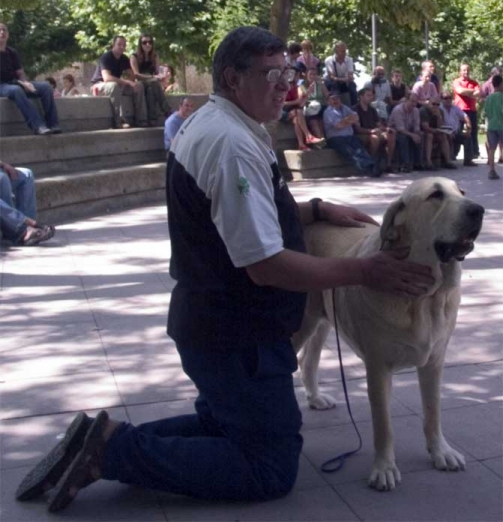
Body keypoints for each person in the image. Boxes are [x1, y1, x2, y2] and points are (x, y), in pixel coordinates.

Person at [15, 26, 434, 513]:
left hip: (218, 327)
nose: (286, 84)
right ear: (234, 78)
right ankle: (111, 452)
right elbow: (265, 265)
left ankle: (95, 438)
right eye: (272, 73)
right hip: (236, 336)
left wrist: (315, 209)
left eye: (290, 72)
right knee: (270, 466)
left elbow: (237, 218)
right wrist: (364, 272)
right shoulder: (231, 144)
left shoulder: (220, 124)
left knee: (226, 425)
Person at [0, 22, 61, 135]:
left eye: (4, 30)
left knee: (46, 87)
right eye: (0, 30)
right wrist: (20, 83)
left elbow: (20, 72)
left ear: (8, 34)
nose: (2, 32)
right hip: (3, 86)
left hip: (16, 83)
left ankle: (53, 124)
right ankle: (38, 126)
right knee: (16, 90)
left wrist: (25, 82)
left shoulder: (12, 52)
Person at [90, 35, 147, 129]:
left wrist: (131, 83)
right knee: (113, 85)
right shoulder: (106, 57)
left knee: (139, 85)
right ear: (113, 45)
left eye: (124, 45)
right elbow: (107, 78)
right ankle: (118, 121)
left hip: (116, 85)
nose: (122, 47)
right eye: (119, 44)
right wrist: (127, 82)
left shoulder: (124, 58)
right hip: (99, 85)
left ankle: (141, 120)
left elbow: (132, 76)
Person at [323, 91, 380, 176]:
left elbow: (356, 118)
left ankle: (371, 166)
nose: (336, 100)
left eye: (337, 98)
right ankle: (369, 169)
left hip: (349, 136)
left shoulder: (344, 107)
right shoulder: (328, 112)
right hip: (335, 139)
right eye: (333, 99)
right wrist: (349, 120)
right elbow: (339, 125)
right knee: (350, 152)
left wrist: (345, 121)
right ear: (328, 101)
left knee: (360, 150)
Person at [130, 34, 171, 126]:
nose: (147, 44)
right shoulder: (134, 56)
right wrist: (151, 77)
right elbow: (136, 74)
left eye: (150, 42)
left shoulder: (154, 56)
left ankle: (152, 119)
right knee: (154, 82)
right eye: (144, 42)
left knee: (151, 90)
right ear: (140, 44)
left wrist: (161, 76)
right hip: (140, 81)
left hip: (152, 83)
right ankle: (167, 110)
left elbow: (156, 72)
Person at [353, 87, 396, 172]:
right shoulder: (355, 109)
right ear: (361, 97)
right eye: (368, 95)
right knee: (374, 138)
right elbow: (357, 129)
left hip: (375, 132)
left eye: (371, 95)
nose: (371, 97)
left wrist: (387, 129)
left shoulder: (372, 109)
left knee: (391, 134)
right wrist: (371, 131)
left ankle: (388, 164)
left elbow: (379, 125)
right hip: (361, 134)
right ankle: (371, 163)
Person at [283, 66, 325, 150]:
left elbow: (302, 101)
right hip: (283, 111)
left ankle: (301, 144)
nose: (295, 77)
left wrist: (307, 93)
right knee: (298, 112)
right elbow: (284, 103)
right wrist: (297, 101)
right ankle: (308, 136)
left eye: (296, 75)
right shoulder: (284, 84)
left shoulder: (300, 85)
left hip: (295, 110)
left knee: (296, 119)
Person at [439, 91, 476, 167]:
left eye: (450, 98)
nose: (448, 100)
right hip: (444, 133)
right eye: (446, 98)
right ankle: (447, 161)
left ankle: (468, 160)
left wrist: (468, 126)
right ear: (441, 99)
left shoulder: (455, 108)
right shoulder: (439, 109)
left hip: (456, 132)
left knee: (467, 137)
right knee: (446, 138)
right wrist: (447, 133)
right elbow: (439, 124)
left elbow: (465, 116)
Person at [389, 93, 423, 172]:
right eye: (412, 101)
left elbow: (416, 126)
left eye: (415, 102)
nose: (414, 104)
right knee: (402, 137)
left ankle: (418, 163)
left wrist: (417, 133)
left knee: (420, 136)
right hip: (395, 131)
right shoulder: (398, 110)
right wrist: (412, 135)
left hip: (408, 130)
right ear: (406, 100)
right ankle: (405, 164)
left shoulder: (416, 110)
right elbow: (400, 129)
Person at [452, 63, 480, 159]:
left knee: (473, 132)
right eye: (464, 70)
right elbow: (459, 91)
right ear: (460, 71)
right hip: (459, 110)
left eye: (467, 70)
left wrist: (466, 92)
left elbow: (478, 93)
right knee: (457, 131)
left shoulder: (474, 82)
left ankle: (474, 152)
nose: (466, 72)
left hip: (472, 110)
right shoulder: (456, 81)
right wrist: (471, 91)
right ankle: (454, 153)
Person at [419, 99, 457, 170]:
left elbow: (440, 126)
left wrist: (438, 116)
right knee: (430, 136)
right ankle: (428, 162)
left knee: (443, 136)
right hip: (424, 131)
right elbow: (425, 127)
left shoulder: (440, 111)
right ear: (429, 103)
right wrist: (436, 130)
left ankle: (447, 161)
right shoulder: (423, 111)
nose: (435, 106)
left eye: (438, 104)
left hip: (435, 131)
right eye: (433, 104)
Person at [323, 41, 357, 105]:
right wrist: (344, 79)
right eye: (342, 51)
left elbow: (350, 75)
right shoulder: (329, 60)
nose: (344, 53)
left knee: (352, 86)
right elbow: (332, 77)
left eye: (345, 51)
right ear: (336, 51)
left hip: (344, 82)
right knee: (335, 87)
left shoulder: (349, 60)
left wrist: (347, 79)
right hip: (331, 82)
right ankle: (335, 106)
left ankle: (354, 107)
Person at [301, 67, 329, 139]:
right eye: (311, 74)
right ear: (306, 75)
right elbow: (301, 100)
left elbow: (327, 96)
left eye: (315, 74)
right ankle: (320, 139)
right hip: (310, 107)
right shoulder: (302, 85)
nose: (312, 76)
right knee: (314, 120)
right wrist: (308, 92)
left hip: (321, 106)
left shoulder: (320, 84)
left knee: (321, 118)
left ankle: (323, 138)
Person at [484, 74, 503, 180]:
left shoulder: (489, 97)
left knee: (492, 148)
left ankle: (492, 170)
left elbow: (486, 111)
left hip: (491, 126)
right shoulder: (501, 97)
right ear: (500, 84)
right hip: (501, 125)